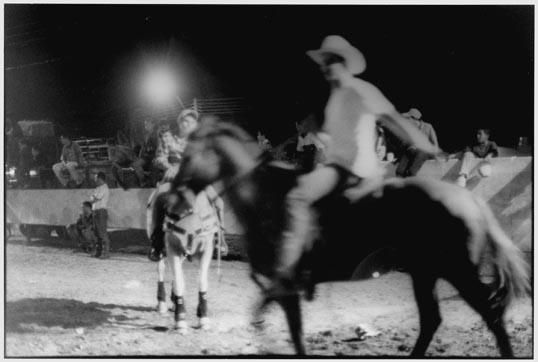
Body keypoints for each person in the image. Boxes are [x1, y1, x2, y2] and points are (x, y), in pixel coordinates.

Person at [272, 35, 440, 296]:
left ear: (344, 64)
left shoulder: (362, 90)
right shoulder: (335, 97)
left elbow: (394, 119)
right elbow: (336, 137)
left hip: (351, 171)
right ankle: (309, 267)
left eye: (330, 62)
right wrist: (318, 133)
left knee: (296, 197)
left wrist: (425, 144)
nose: (325, 68)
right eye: (324, 64)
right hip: (340, 167)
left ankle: (287, 274)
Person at [148, 109, 200, 261]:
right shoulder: (167, 137)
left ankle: (216, 239)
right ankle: (157, 244)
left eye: (192, 122)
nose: (188, 124)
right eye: (185, 121)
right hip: (172, 178)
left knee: (214, 201)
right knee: (159, 199)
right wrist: (170, 167)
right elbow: (159, 158)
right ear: (180, 123)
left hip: (192, 178)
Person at [396, 108, 439, 177]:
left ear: (415, 119)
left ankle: (411, 176)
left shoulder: (428, 127)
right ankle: (400, 177)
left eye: (408, 119)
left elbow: (435, 142)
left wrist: (436, 156)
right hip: (412, 151)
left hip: (424, 151)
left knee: (420, 153)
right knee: (399, 171)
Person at [132, 119, 159, 187]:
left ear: (153, 124)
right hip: (146, 157)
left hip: (154, 156)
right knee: (135, 164)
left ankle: (154, 185)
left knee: (154, 168)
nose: (145, 126)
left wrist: (156, 157)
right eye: (145, 124)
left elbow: (159, 147)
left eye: (147, 124)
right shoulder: (146, 135)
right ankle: (143, 181)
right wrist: (139, 156)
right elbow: (143, 147)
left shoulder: (157, 134)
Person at [91, 172, 110, 259]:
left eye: (95, 178)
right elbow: (92, 199)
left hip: (101, 211)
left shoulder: (104, 188)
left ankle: (106, 253)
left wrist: (93, 198)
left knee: (102, 232)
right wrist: (93, 198)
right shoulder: (98, 188)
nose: (95, 180)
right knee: (96, 233)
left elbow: (95, 199)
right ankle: (98, 252)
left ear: (99, 178)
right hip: (95, 211)